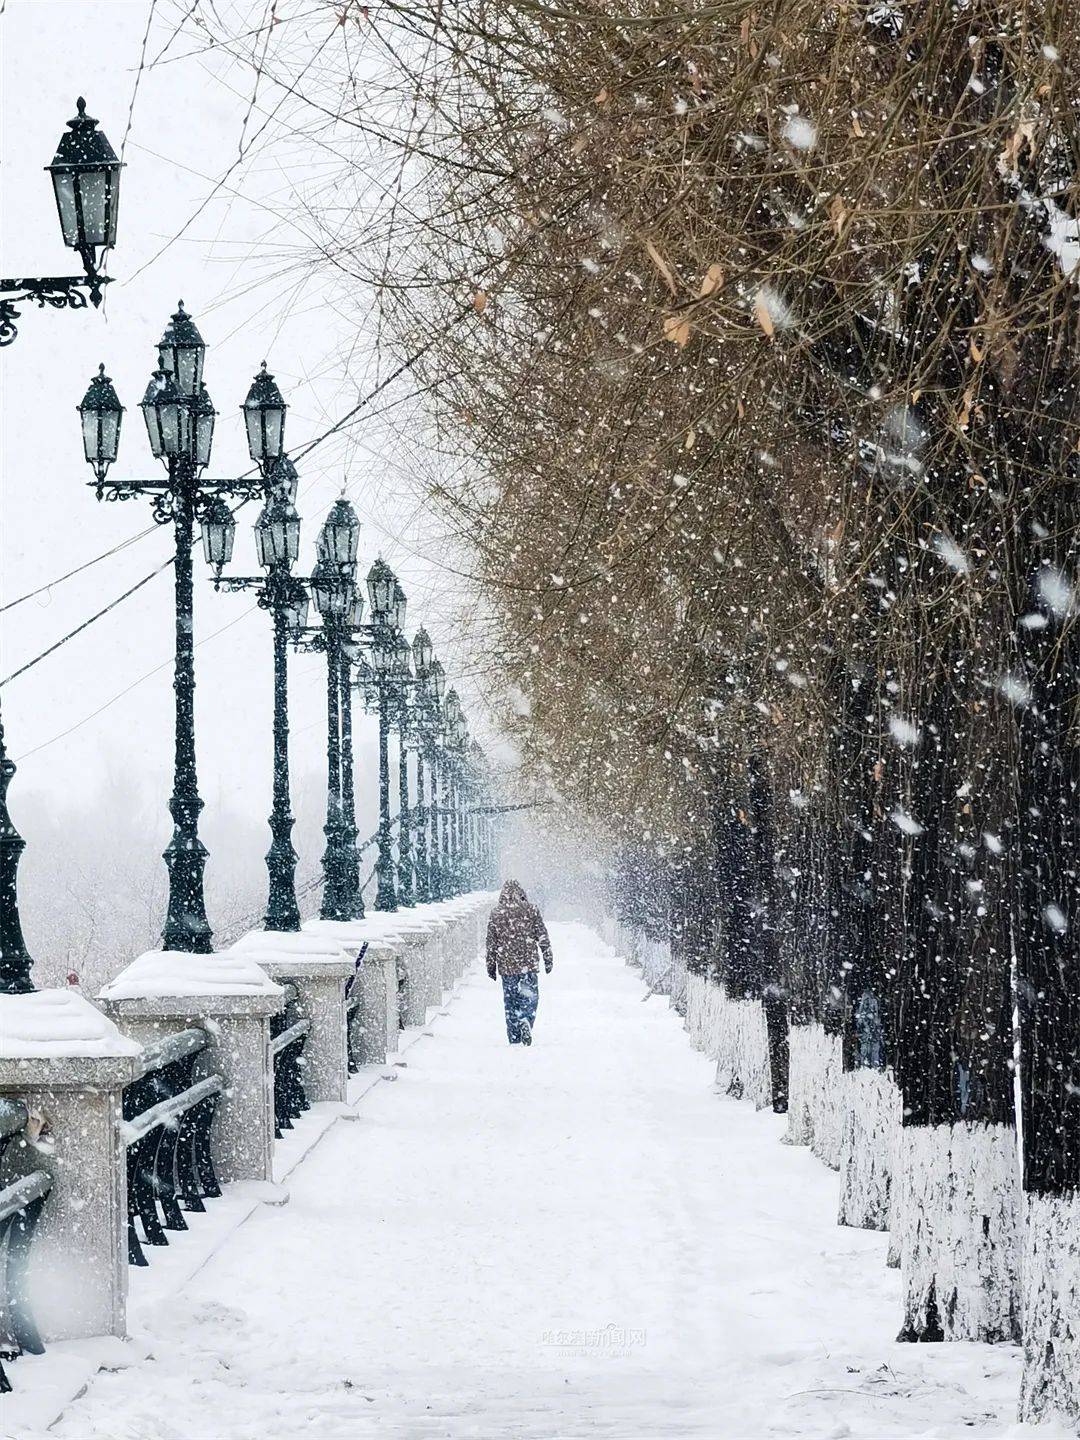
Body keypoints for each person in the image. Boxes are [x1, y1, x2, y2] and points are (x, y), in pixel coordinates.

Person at [485, 879, 553, 1045]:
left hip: (507, 966)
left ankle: (514, 1035)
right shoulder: (531, 910)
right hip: (528, 964)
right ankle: (526, 1021)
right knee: (529, 997)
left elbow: (491, 943)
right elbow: (542, 935)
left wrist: (491, 965)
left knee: (510, 1001)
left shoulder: (496, 914)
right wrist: (547, 956)